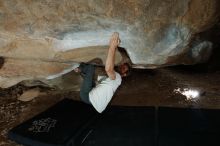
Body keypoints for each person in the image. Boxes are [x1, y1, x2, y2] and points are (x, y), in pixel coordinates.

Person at [74, 32, 131, 113]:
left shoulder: (118, 78)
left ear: (124, 74)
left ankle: (80, 69)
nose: (121, 66)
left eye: (124, 68)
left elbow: (108, 69)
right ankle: (81, 70)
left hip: (86, 95)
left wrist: (112, 47)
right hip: (94, 101)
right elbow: (100, 79)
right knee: (92, 73)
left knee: (91, 66)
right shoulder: (114, 81)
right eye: (122, 65)